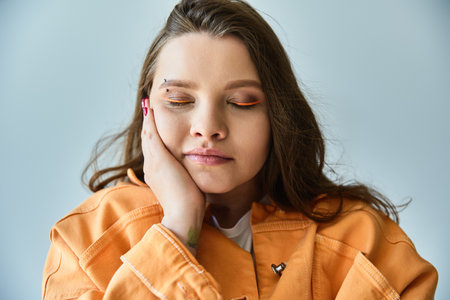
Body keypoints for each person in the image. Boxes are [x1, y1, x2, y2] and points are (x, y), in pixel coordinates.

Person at [42, 0, 438, 299]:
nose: (208, 128)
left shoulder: (366, 246)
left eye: (243, 102)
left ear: (277, 114)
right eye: (179, 99)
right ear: (148, 110)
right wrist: (179, 228)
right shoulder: (84, 241)